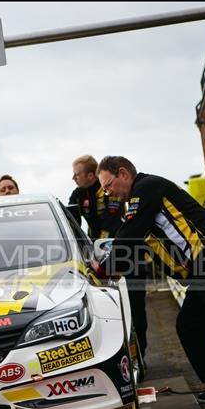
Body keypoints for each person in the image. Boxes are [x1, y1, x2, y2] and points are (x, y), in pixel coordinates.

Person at [94, 155, 205, 408]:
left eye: (108, 185)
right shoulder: (141, 203)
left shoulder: (145, 188)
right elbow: (137, 247)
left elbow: (128, 235)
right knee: (189, 327)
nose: (108, 193)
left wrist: (103, 267)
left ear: (123, 173)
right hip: (203, 268)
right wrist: (115, 269)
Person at [70, 154, 148, 365]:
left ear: (89, 174)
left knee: (135, 307)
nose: (73, 178)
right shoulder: (77, 195)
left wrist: (102, 254)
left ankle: (140, 355)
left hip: (126, 254)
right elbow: (72, 225)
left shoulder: (109, 190)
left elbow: (112, 225)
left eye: (76, 174)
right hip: (100, 257)